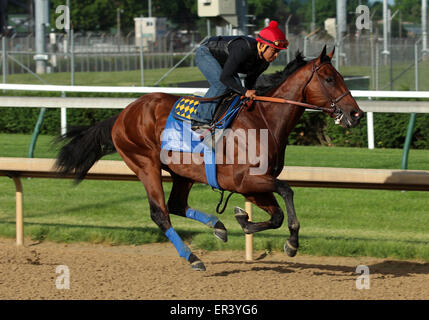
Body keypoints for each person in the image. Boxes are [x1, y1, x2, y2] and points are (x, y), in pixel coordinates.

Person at [191, 20, 289, 130]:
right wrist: (245, 92)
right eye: (274, 50)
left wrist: (248, 93)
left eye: (278, 52)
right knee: (221, 84)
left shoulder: (264, 63)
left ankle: (220, 119)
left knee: (236, 89)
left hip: (224, 61)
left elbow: (250, 80)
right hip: (206, 53)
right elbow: (225, 78)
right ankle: (199, 120)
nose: (276, 55)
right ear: (262, 45)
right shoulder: (243, 49)